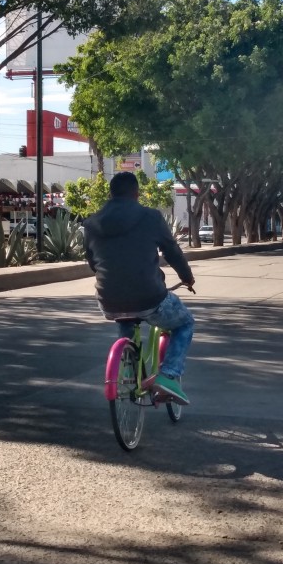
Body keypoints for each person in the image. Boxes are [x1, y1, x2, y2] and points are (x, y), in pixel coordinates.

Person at [83, 171, 195, 405]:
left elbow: (93, 263)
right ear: (136, 193)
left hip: (108, 299)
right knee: (184, 323)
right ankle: (169, 375)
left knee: (125, 317)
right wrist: (187, 277)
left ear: (111, 193)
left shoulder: (92, 223)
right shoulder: (150, 217)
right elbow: (171, 251)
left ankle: (129, 375)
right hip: (149, 297)